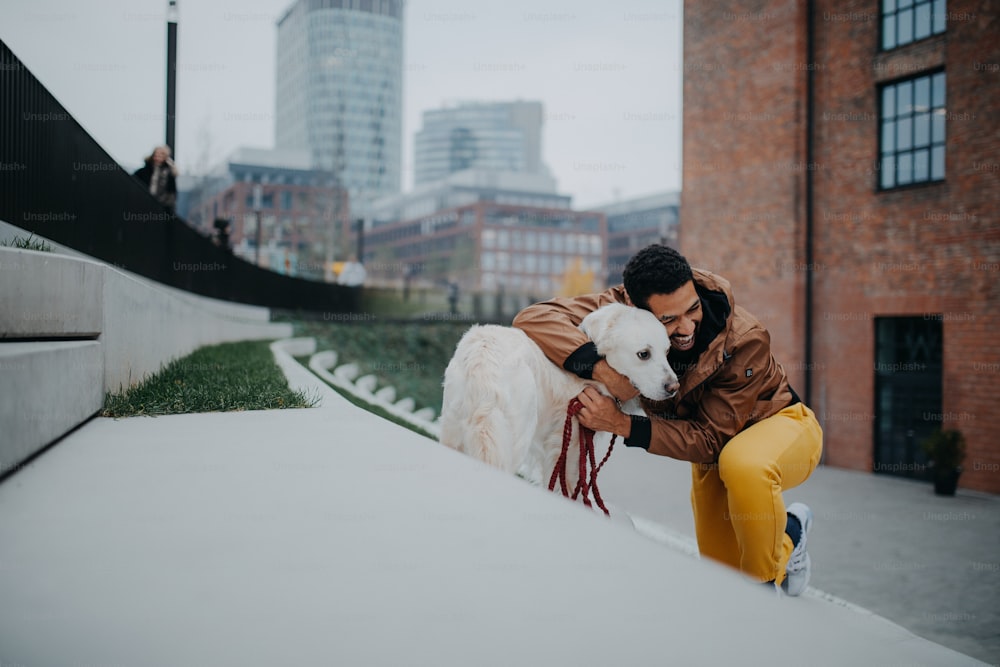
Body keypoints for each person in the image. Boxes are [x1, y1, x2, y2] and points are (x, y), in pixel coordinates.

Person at [512, 244, 823, 595]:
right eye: (668, 320)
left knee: (744, 468)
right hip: (711, 455)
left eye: (692, 309)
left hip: (780, 424)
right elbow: (533, 318)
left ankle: (765, 598)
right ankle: (791, 534)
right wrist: (603, 371)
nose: (687, 326)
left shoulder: (744, 338)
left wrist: (621, 424)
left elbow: (711, 440)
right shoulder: (621, 310)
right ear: (634, 307)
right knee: (723, 575)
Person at [132, 145, 179, 213]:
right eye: (156, 153)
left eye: (161, 154)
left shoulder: (169, 174)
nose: (158, 156)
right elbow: (134, 182)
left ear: (165, 157)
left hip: (161, 209)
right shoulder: (144, 171)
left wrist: (162, 205)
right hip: (143, 206)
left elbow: (172, 194)